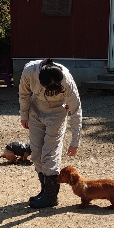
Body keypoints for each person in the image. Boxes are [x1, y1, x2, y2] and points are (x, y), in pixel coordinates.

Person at [18, 58, 83, 208]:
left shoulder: (67, 80)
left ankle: (51, 196)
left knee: (50, 153)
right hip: (35, 110)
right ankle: (44, 191)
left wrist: (75, 142)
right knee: (36, 152)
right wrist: (24, 115)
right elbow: (24, 94)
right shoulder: (29, 72)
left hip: (57, 113)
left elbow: (76, 110)